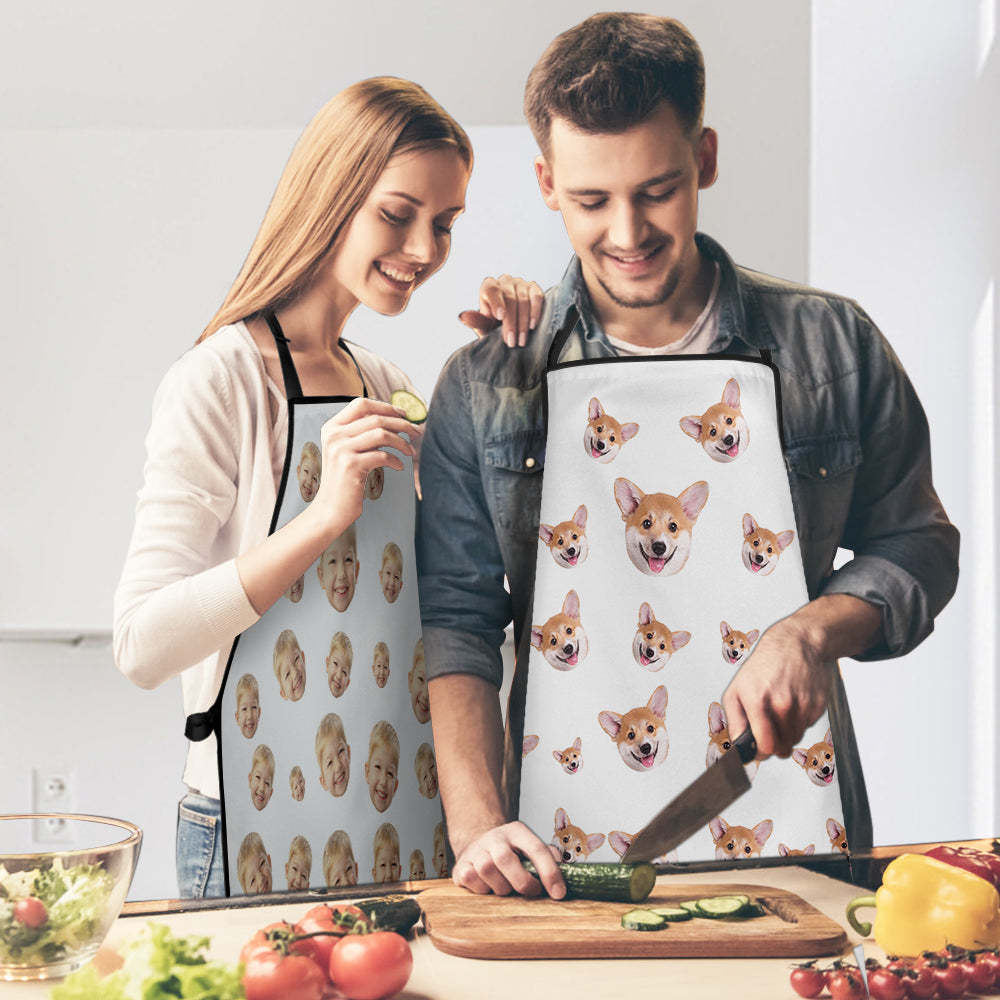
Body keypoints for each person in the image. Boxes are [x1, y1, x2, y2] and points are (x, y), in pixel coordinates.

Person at [416, 13, 959, 900]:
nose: (627, 233)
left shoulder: (834, 346)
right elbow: (458, 624)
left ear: (705, 158)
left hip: (801, 844)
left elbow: (922, 545)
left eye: (657, 190)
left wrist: (812, 630)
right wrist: (478, 831)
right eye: (591, 201)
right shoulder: (487, 383)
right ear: (549, 184)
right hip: (554, 862)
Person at [112, 76, 541, 898]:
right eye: (398, 212)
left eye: (444, 224)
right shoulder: (221, 382)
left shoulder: (389, 383)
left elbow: (453, 601)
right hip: (253, 823)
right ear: (333, 191)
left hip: (404, 821)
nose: (424, 248)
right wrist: (322, 518)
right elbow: (142, 645)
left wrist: (502, 379)